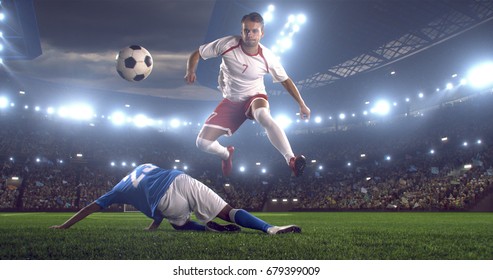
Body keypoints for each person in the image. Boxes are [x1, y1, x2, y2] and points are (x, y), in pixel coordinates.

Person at [185, 12, 311, 177]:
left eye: (255, 31)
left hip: (255, 97)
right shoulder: (227, 44)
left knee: (263, 115)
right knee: (202, 143)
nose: (250, 34)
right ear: (241, 30)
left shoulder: (267, 57)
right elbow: (197, 53)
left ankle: (291, 159)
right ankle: (225, 154)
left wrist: (302, 104)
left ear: (262, 33)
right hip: (231, 101)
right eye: (246, 30)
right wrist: (190, 70)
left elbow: (286, 81)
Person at [50, 163, 301, 235]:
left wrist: (64, 226)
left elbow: (89, 208)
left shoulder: (118, 188)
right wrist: (153, 224)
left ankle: (204, 230)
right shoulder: (145, 165)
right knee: (229, 211)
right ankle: (270, 228)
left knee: (179, 223)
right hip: (180, 178)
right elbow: (155, 183)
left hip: (165, 201)